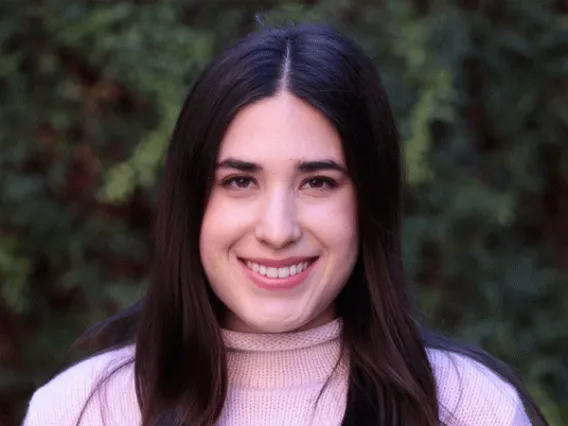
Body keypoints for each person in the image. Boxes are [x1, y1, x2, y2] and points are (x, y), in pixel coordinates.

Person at [22, 23, 547, 426]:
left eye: (317, 182)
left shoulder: (467, 409)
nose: (277, 230)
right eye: (239, 182)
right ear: (191, 204)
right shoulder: (79, 411)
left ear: (371, 203)